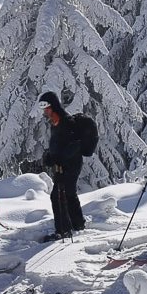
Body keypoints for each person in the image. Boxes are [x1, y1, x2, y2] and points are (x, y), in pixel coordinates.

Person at [39, 91, 85, 242]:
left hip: (70, 165)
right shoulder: (55, 122)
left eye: (45, 106)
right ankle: (78, 224)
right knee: (69, 194)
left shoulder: (66, 122)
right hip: (62, 165)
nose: (44, 110)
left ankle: (63, 230)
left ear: (53, 106)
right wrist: (50, 156)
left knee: (58, 196)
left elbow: (75, 145)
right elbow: (57, 145)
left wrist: (59, 157)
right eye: (42, 107)